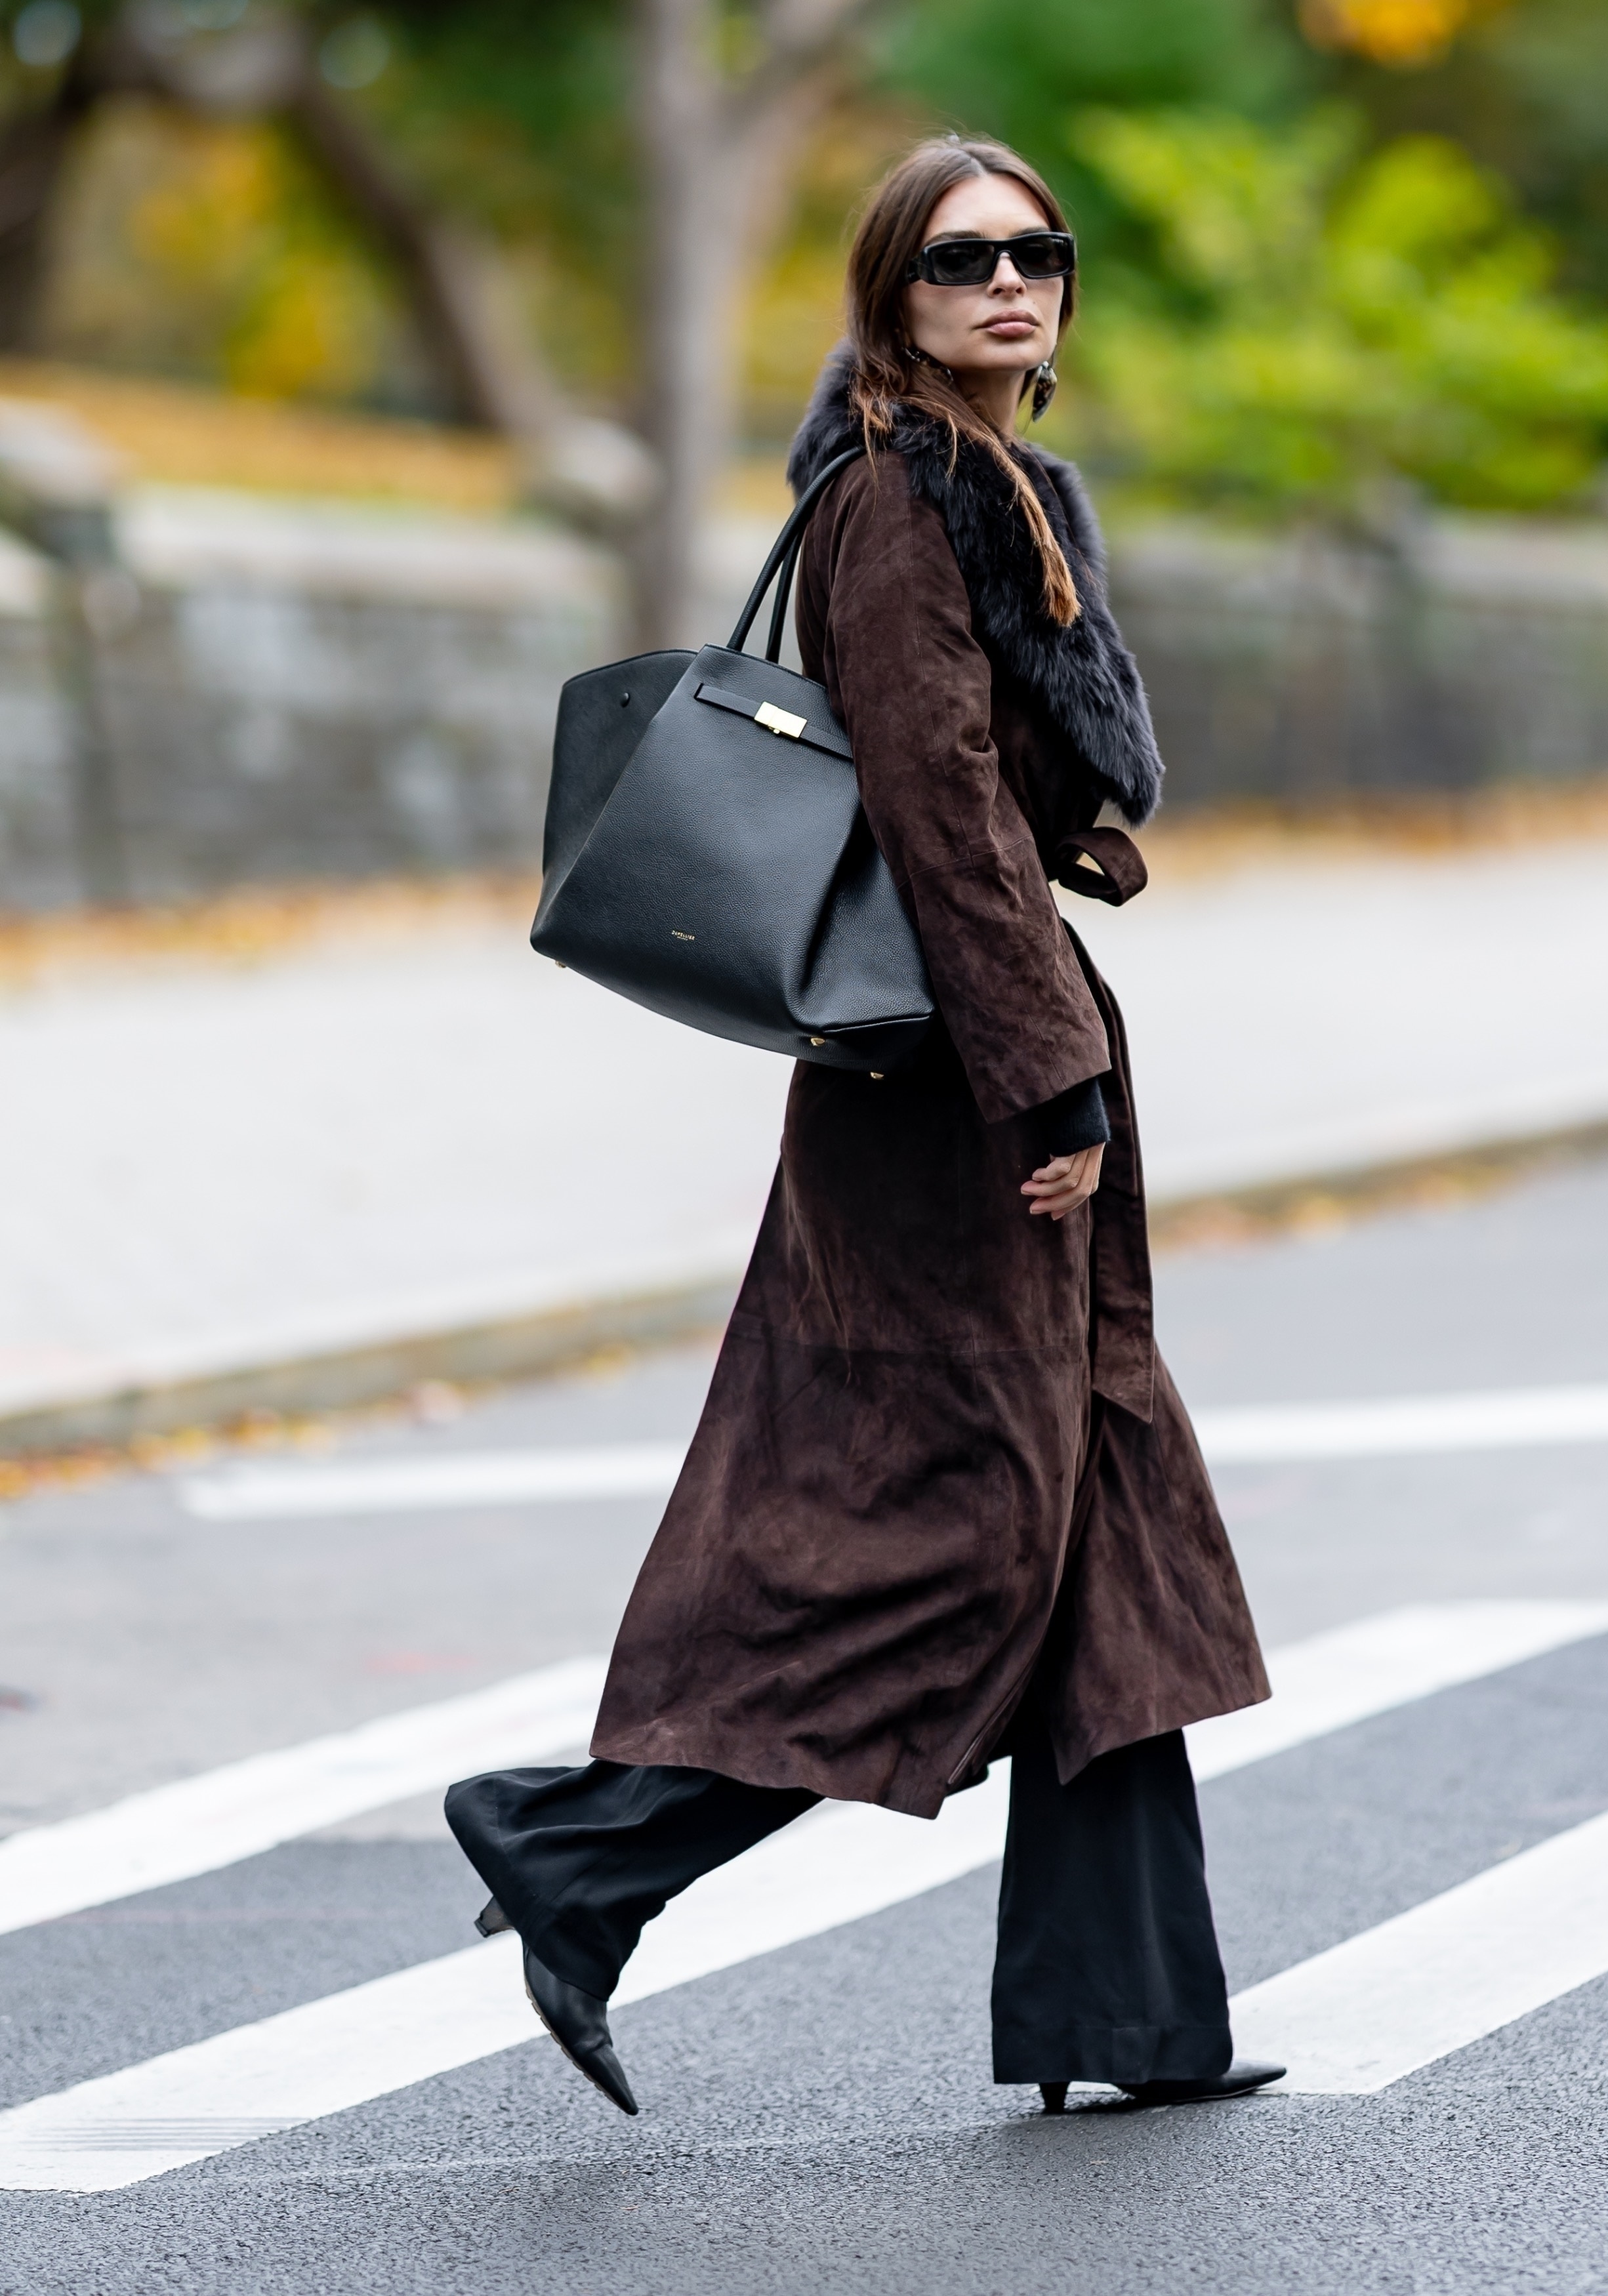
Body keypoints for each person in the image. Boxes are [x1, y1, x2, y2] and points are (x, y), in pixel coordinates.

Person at [447, 134, 1279, 2121]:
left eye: (1039, 255)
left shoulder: (1001, 490)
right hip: (956, 1090)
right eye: (963, 259)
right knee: (950, 1542)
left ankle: (1126, 2014)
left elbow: (1003, 776)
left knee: (1101, 1535)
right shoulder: (906, 500)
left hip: (994, 1056)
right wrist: (1044, 1073)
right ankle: (578, 1848)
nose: (1012, 285)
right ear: (891, 294)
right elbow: (932, 808)